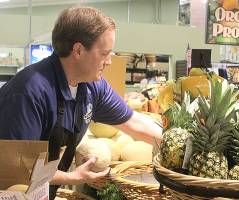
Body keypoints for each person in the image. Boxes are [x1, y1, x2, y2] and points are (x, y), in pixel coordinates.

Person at [0, 6, 162, 199]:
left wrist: (177, 145)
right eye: (104, 53)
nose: (109, 61)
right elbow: (17, 169)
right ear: (78, 50)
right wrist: (71, 177)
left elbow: (133, 122)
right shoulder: (29, 92)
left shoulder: (93, 86)